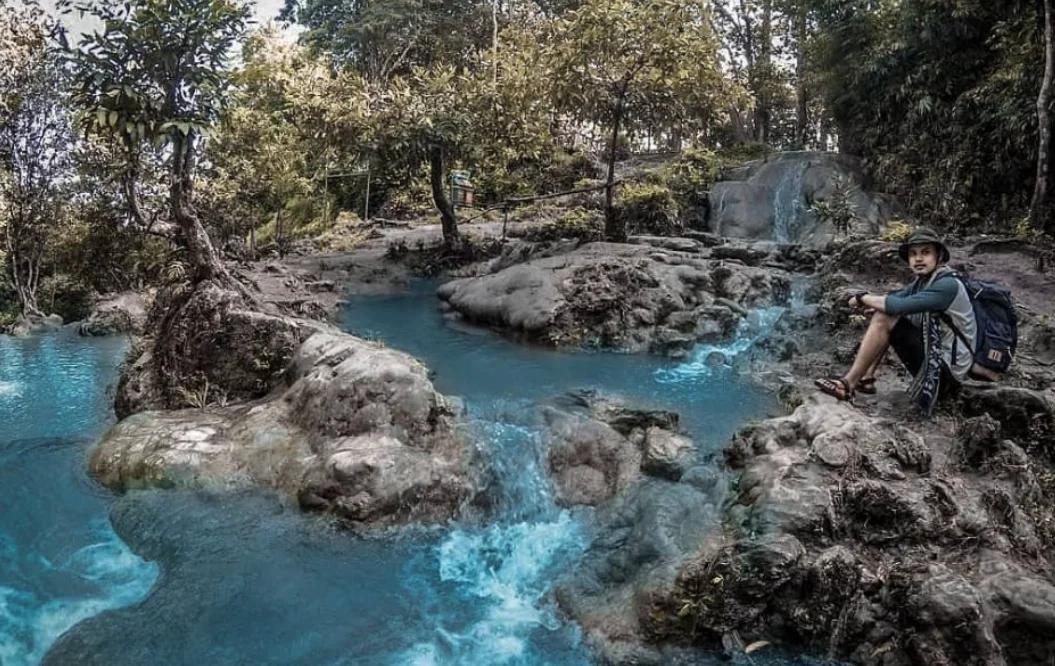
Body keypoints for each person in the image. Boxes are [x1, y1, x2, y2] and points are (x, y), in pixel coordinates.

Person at [814, 227, 991, 415]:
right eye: (913, 254)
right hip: (939, 364)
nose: (919, 259)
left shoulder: (947, 285)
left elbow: (897, 306)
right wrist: (878, 303)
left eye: (926, 252)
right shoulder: (922, 283)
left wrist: (862, 298)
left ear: (938, 256)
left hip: (946, 375)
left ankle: (847, 385)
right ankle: (866, 378)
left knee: (886, 317)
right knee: (886, 313)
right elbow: (896, 298)